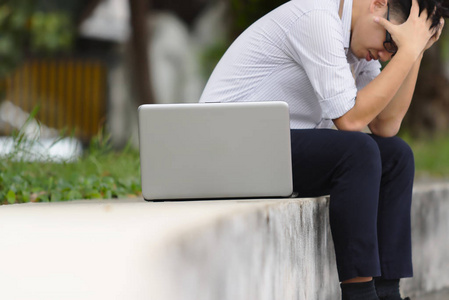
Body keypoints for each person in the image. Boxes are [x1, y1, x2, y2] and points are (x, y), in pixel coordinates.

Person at [199, 0, 449, 299]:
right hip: (230, 149)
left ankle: (387, 293)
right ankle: (360, 295)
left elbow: (386, 125)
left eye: (392, 52)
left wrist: (414, 51)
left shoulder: (358, 40)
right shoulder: (318, 17)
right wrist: (406, 50)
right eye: (389, 43)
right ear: (377, 4)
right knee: (358, 151)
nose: (385, 56)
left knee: (396, 156)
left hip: (273, 148)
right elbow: (351, 120)